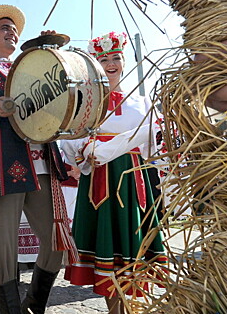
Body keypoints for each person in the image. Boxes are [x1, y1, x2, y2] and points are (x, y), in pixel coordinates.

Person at [0, 5, 72, 314]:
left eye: (13, 28)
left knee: (56, 243)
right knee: (4, 251)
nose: (11, 31)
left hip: (42, 163)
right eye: (3, 27)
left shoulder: (28, 67)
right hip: (3, 164)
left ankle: (34, 306)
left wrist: (51, 52)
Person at [61, 31, 167, 313]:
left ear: (125, 61)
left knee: (130, 244)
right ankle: (114, 309)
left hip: (132, 182)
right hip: (100, 183)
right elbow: (70, 142)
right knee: (107, 248)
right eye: (103, 59)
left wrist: (123, 143)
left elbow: (154, 144)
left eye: (116, 58)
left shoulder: (141, 102)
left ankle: (128, 307)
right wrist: (88, 150)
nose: (111, 64)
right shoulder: (85, 103)